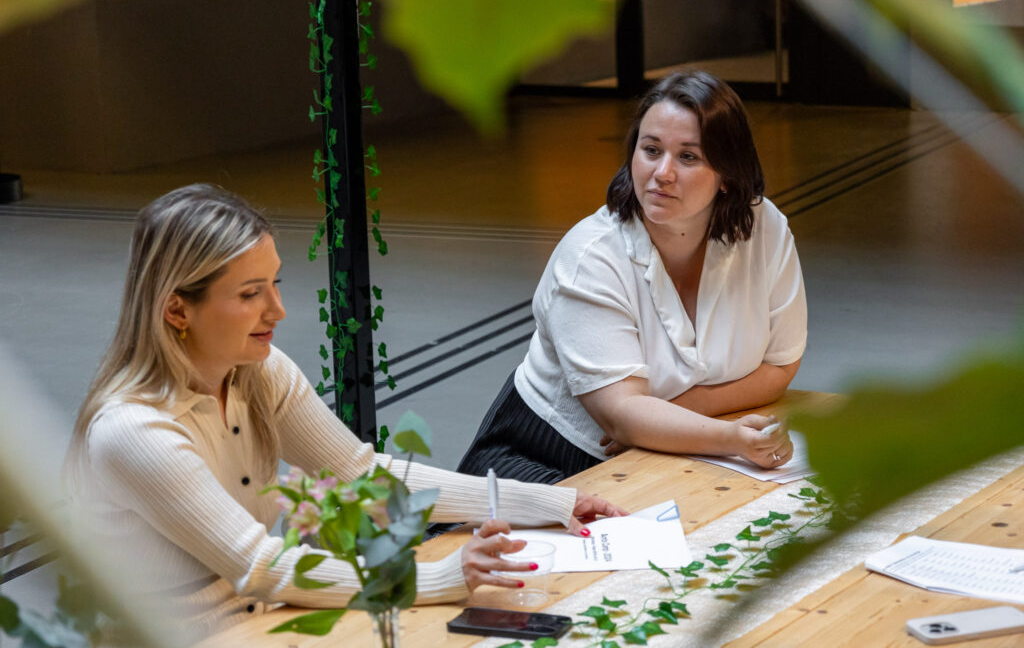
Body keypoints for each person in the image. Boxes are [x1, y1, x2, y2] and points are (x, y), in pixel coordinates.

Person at [64, 184, 625, 641]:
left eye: (275, 284)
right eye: (250, 294)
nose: (278, 310)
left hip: (264, 616)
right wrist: (435, 578)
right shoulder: (134, 429)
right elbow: (260, 565)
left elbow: (361, 476)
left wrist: (553, 502)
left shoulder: (259, 370)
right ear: (176, 309)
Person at [457, 70, 807, 485]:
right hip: (549, 457)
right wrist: (728, 437)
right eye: (651, 149)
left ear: (728, 174)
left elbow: (780, 365)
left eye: (688, 156)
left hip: (675, 451)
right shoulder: (591, 255)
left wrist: (677, 416)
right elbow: (623, 416)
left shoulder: (763, 228)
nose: (663, 172)